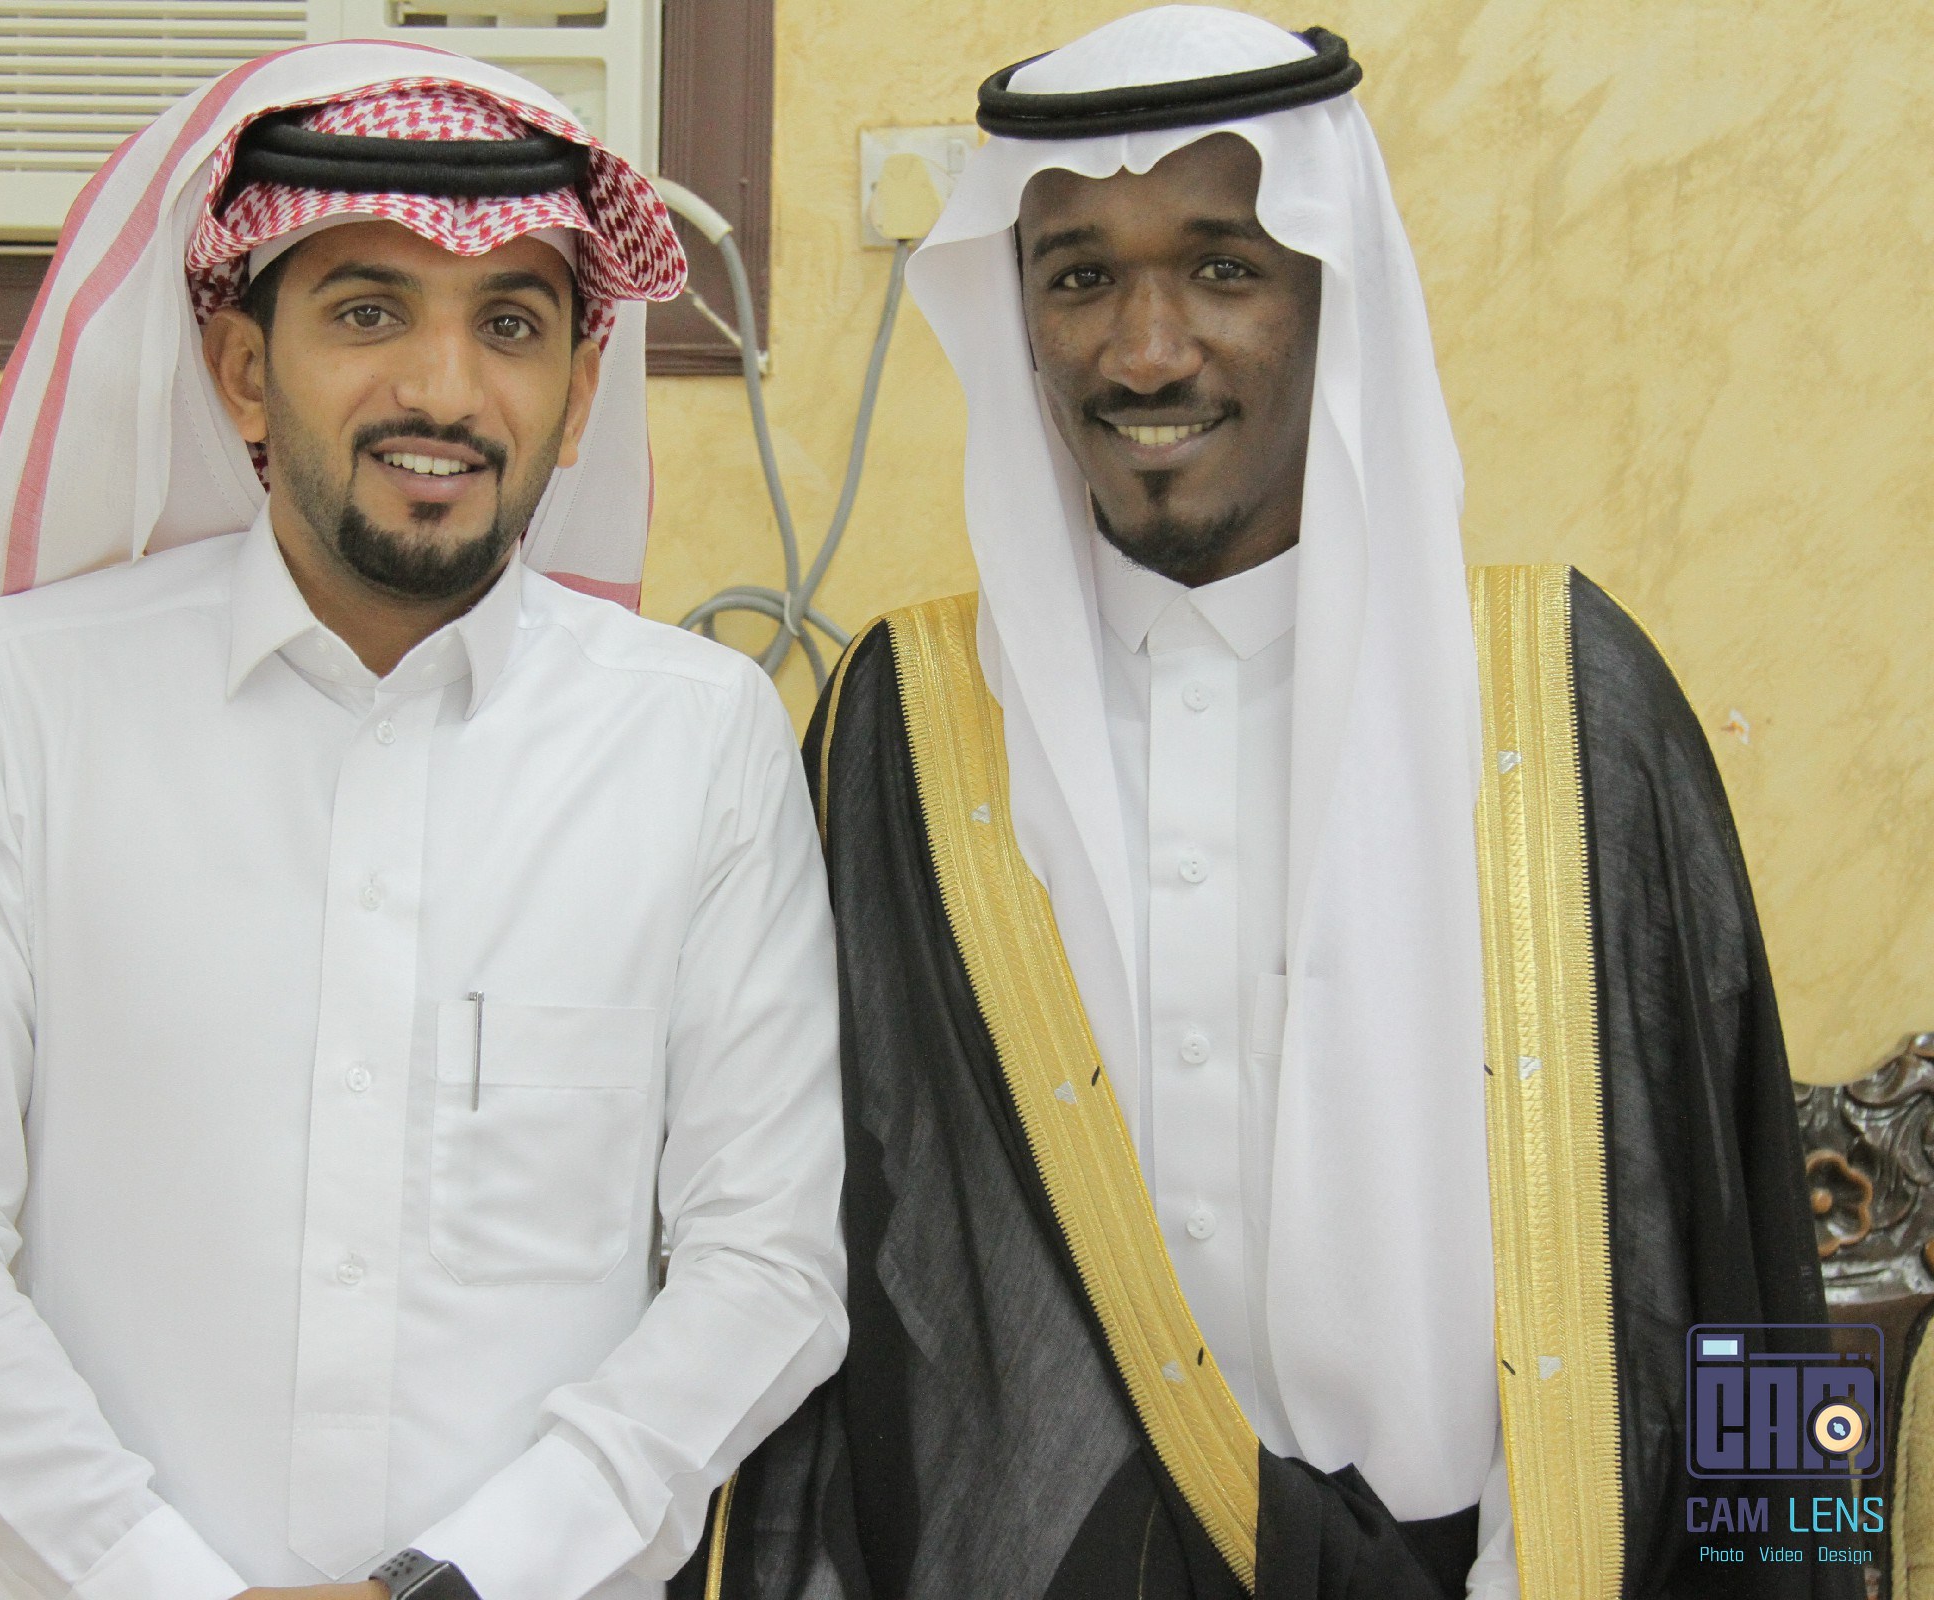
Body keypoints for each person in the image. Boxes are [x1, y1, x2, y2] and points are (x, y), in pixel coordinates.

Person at [687, 9, 1846, 1599]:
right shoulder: (912, 722)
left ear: (1329, 292)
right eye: (1079, 277)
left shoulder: (1564, 695)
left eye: (1224, 268)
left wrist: (1803, 1561)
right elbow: (830, 1244)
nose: (1146, 351)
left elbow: (1744, 1221)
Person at [0, 44, 846, 1600]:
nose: (444, 391)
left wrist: (462, 1581)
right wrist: (159, 1580)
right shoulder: (24, 702)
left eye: (512, 326)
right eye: (369, 313)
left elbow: (766, 1272)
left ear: (580, 398)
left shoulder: (699, 742)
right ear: (240, 369)